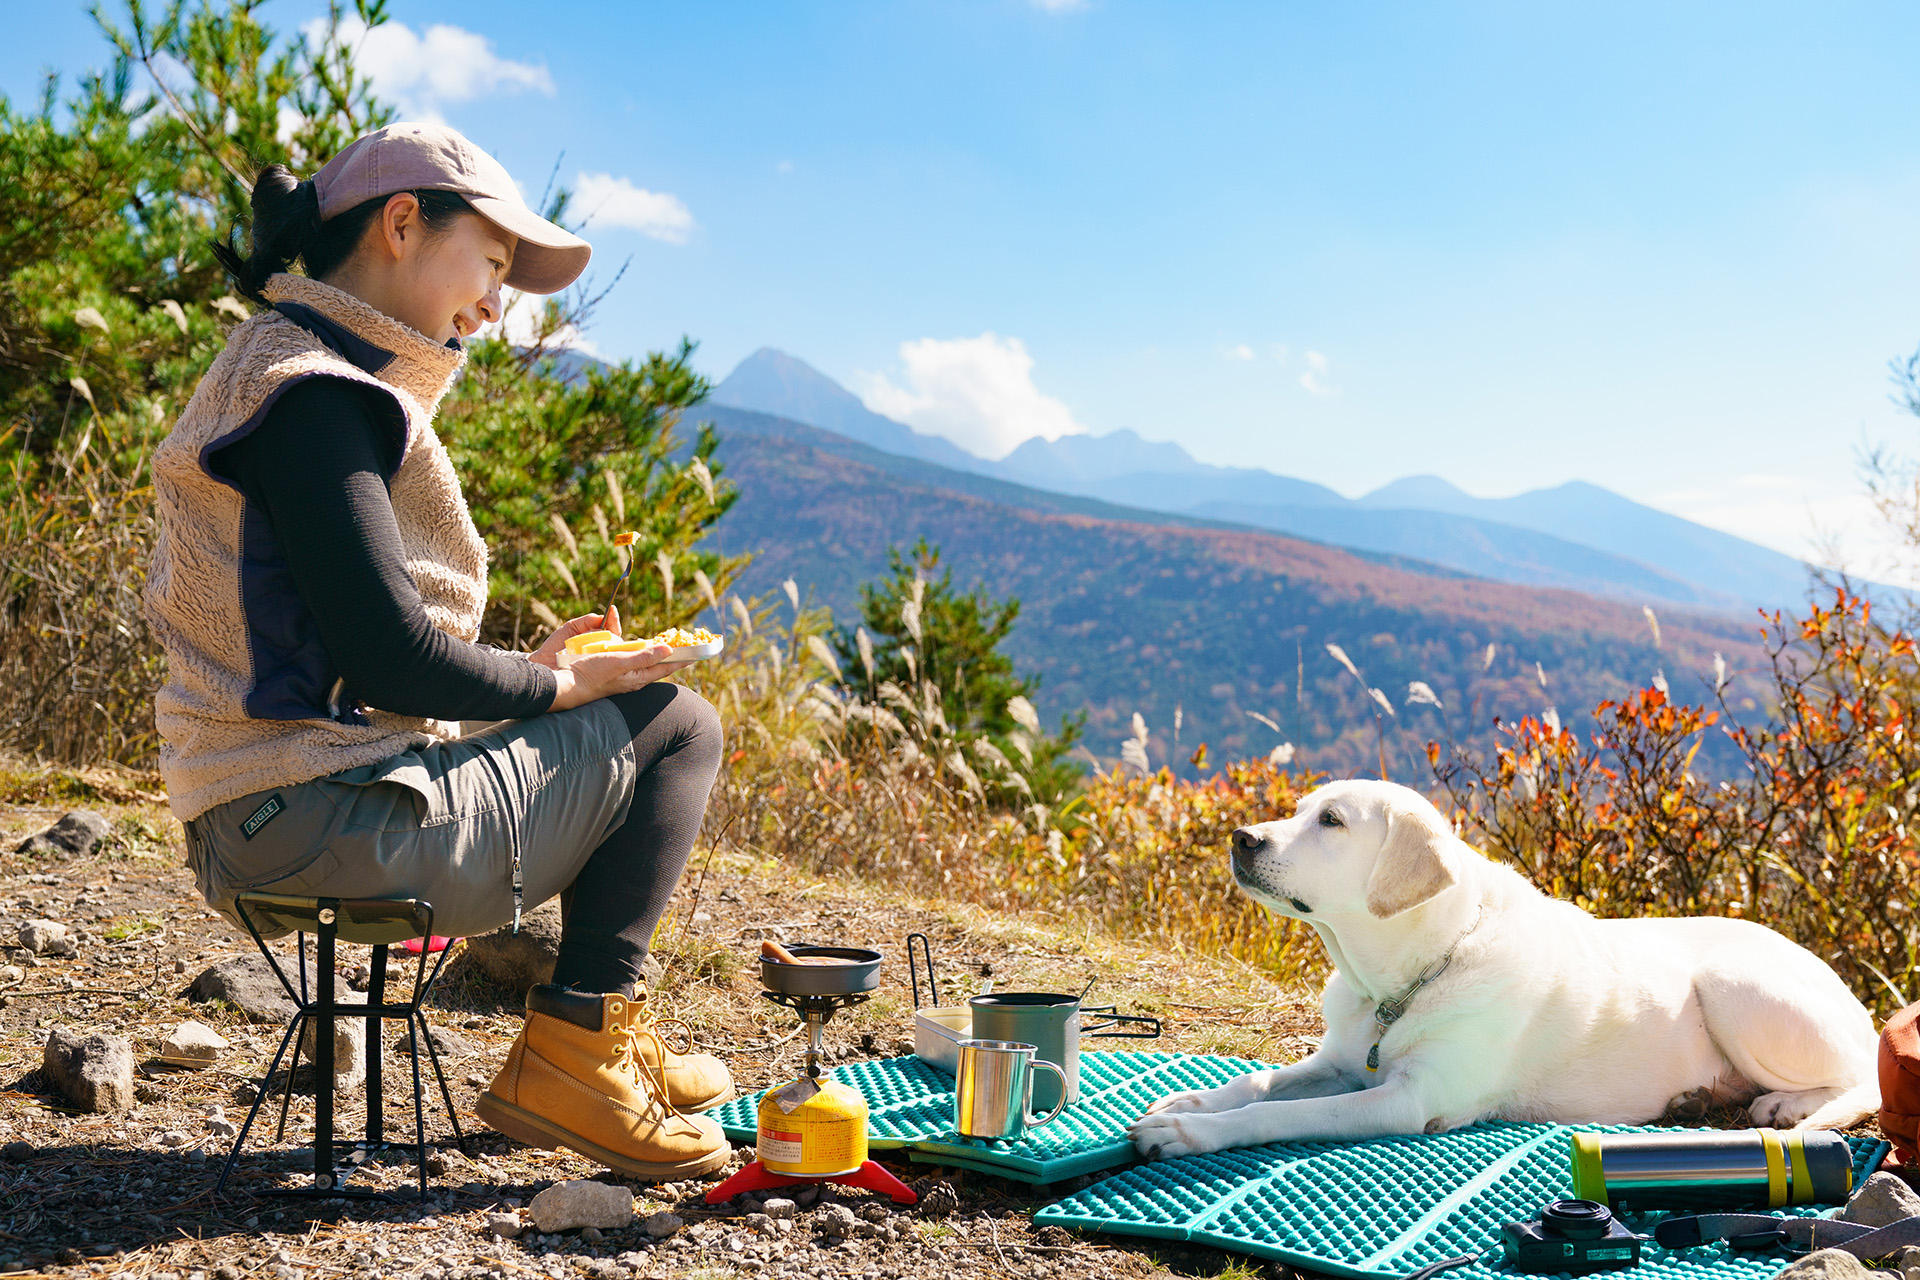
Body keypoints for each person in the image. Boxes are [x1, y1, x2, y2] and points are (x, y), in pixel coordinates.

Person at [144, 122, 734, 1180]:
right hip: (313, 823)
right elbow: (391, 659)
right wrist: (555, 685)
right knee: (676, 725)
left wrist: (533, 682)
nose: (497, 305)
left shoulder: (287, 369)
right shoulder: (314, 392)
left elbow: (351, 650)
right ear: (403, 224)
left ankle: (597, 1041)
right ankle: (580, 1048)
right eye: (495, 266)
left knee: (633, 712)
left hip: (267, 813)